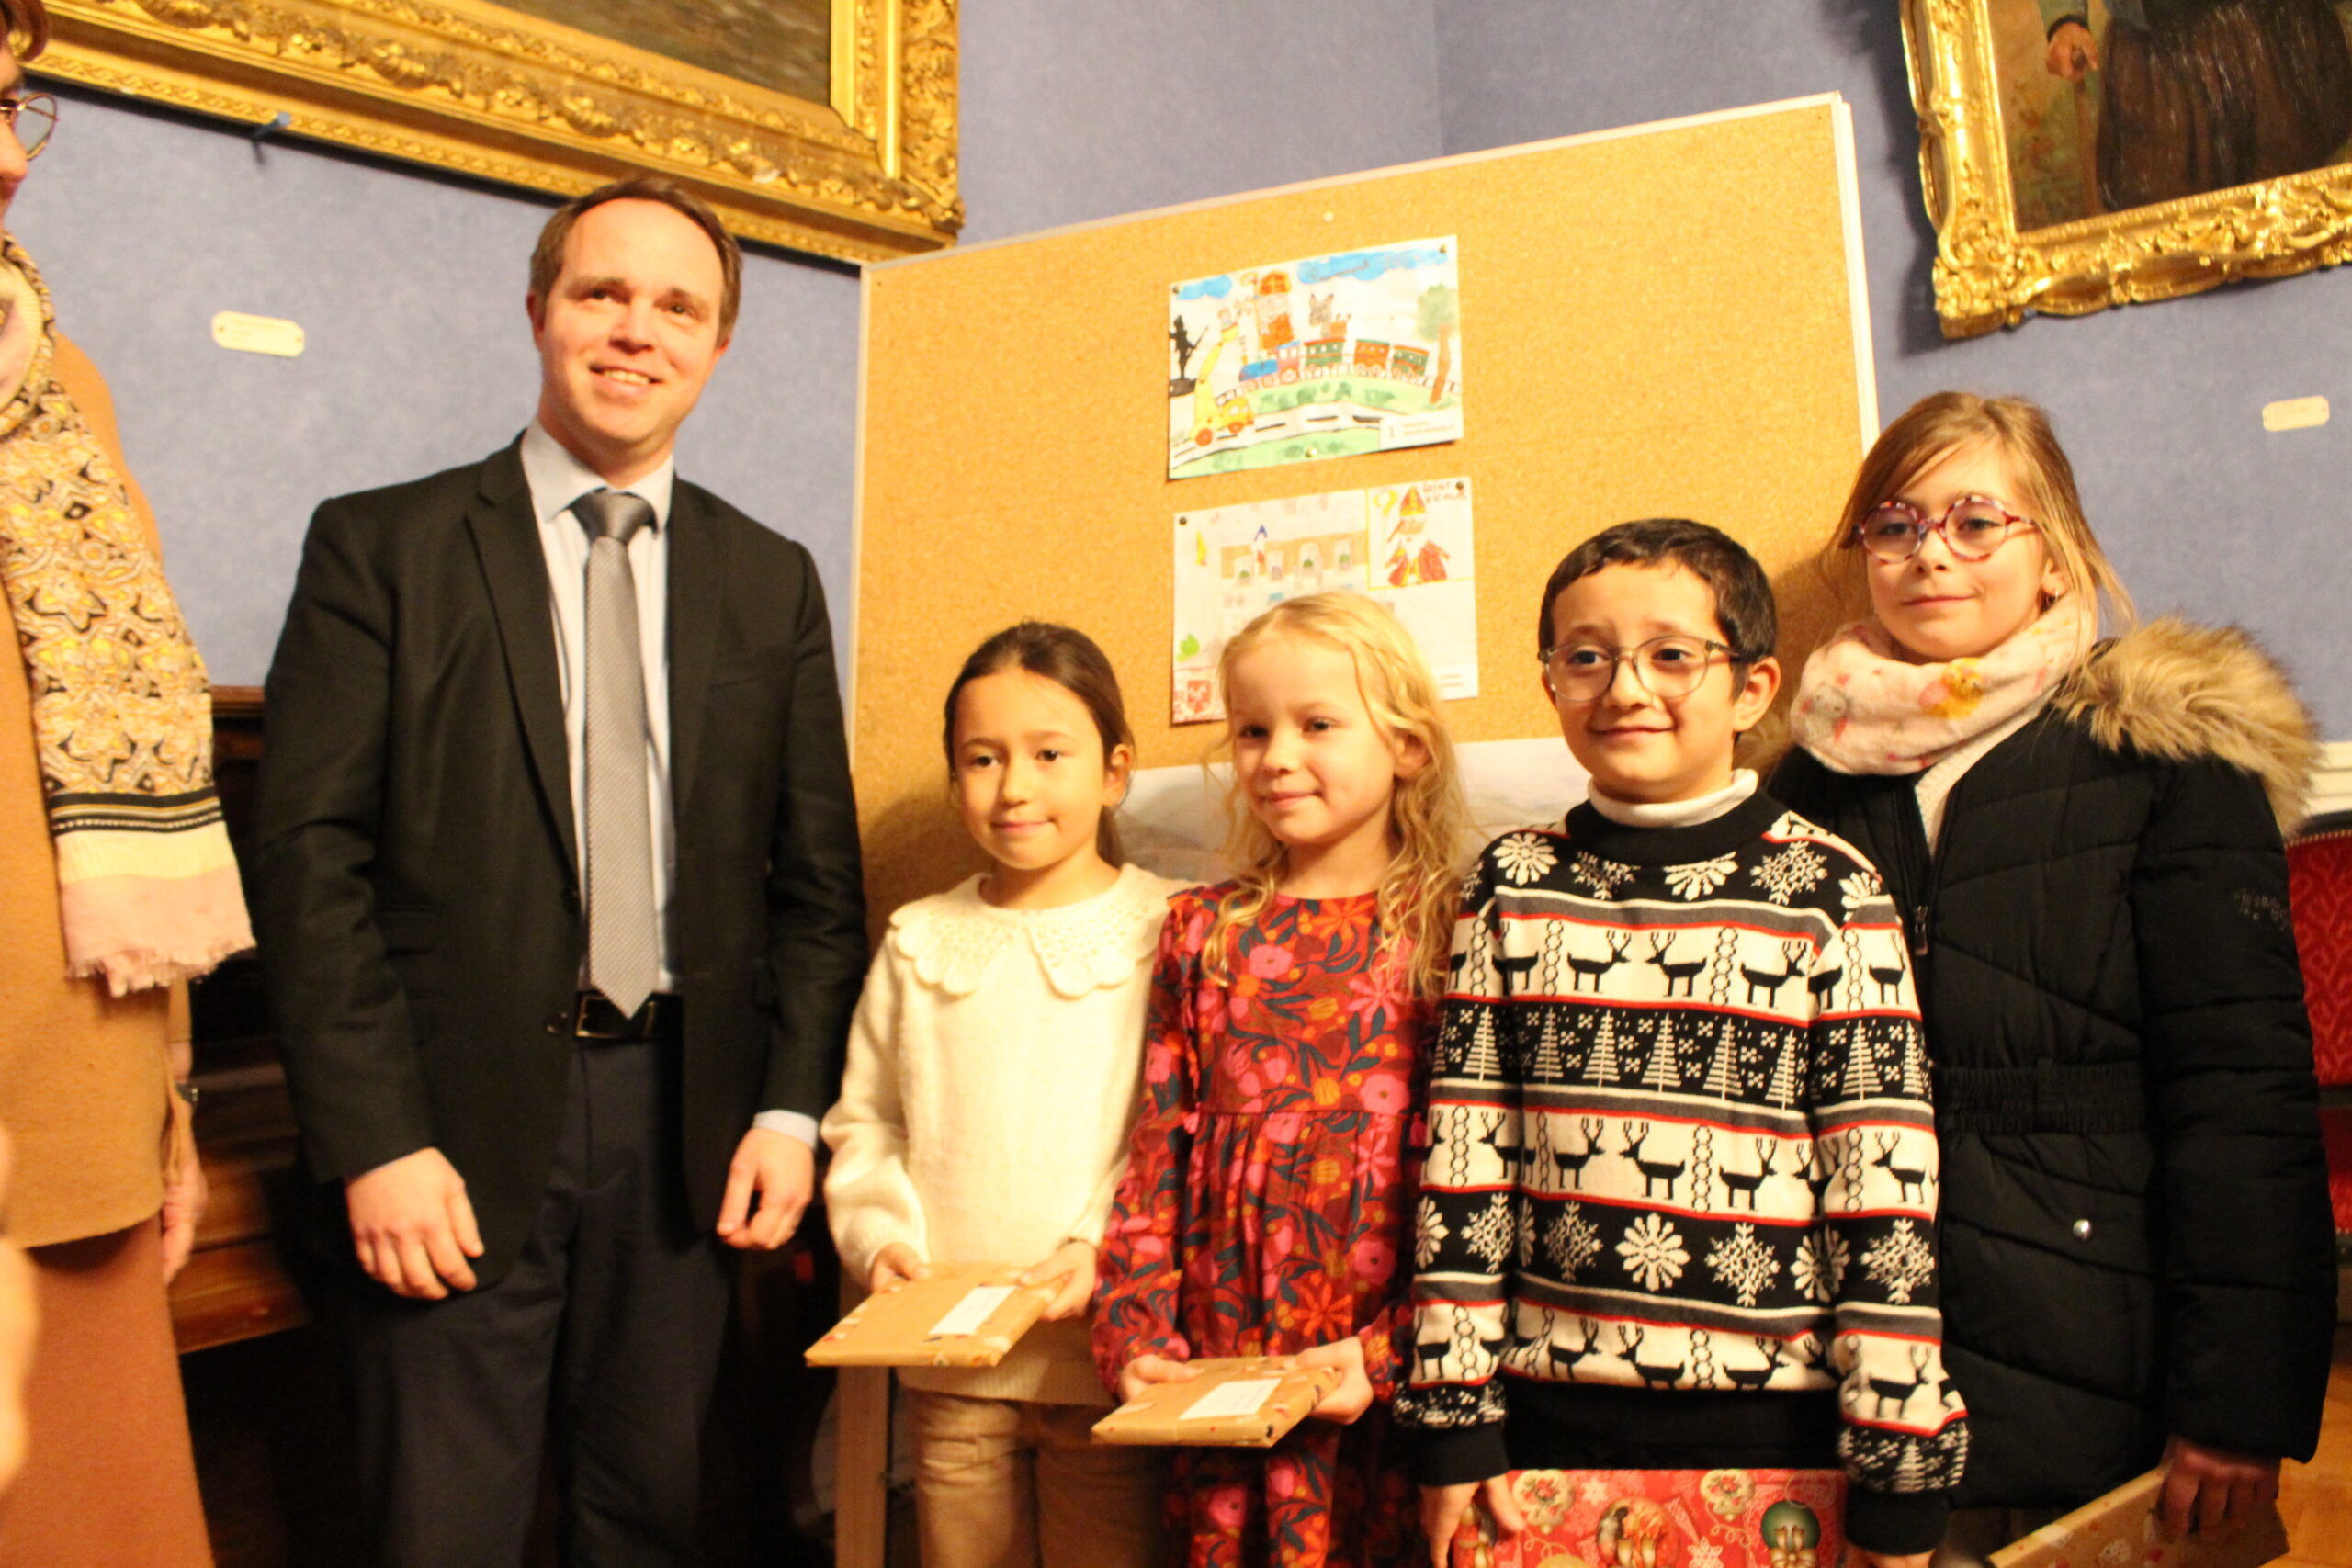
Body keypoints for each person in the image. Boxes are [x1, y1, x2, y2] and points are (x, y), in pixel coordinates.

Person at [251, 176, 866, 1565]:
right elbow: (305, 862)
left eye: (678, 306)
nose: (638, 330)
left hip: (689, 1139)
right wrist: (372, 1137)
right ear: (539, 311)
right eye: (603, 293)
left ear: (717, 345)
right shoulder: (381, 547)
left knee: (649, 1523)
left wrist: (790, 1109)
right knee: (441, 1534)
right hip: (446, 1134)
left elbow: (817, 888)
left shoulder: (771, 578)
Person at [1770, 392, 2334, 1561]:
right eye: (1894, 524)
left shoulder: (2163, 754)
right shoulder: (1803, 788)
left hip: (2097, 1345)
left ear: (2056, 553)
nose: (1931, 553)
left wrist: (2237, 1403)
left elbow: (2241, 1098)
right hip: (1857, 1362)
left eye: (1977, 521)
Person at [1398, 520, 1966, 1568]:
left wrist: (1898, 1467)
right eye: (1586, 656)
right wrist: (1452, 1417)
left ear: (1752, 689)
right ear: (1551, 682)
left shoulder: (1830, 891)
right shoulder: (1512, 883)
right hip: (1545, 1430)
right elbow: (1465, 1161)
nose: (1625, 688)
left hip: (1777, 1436)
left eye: (1671, 654)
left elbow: (1881, 1183)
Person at [0, 0, 250, 1557]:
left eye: (12, 101)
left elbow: (124, 773)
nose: (11, 159)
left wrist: (167, 1091)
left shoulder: (62, 383)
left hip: (76, 1105)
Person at [1093, 592, 1473, 1568]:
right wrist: (1135, 1327)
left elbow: (1485, 1171)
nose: (1274, 756)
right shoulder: (1203, 930)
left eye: (1317, 724)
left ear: (1407, 745)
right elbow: (1156, 1149)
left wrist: (1400, 1349)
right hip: (1226, 1360)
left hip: (1390, 1363)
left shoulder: (1458, 928)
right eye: (1253, 730)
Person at [822, 621, 1182, 1568]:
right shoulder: (919, 937)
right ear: (955, 779)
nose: (1014, 786)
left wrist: (1099, 1244)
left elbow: (1174, 1125)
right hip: (950, 1363)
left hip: (1109, 1358)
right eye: (983, 759)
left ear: (1114, 771)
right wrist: (880, 1239)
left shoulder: (1170, 925)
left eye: (1048, 754)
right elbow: (868, 1120)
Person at [2039, 0, 2351, 213]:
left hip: (2268, 39)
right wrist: (2065, 20)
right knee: (2164, 224)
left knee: (2296, 207)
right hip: (2156, 55)